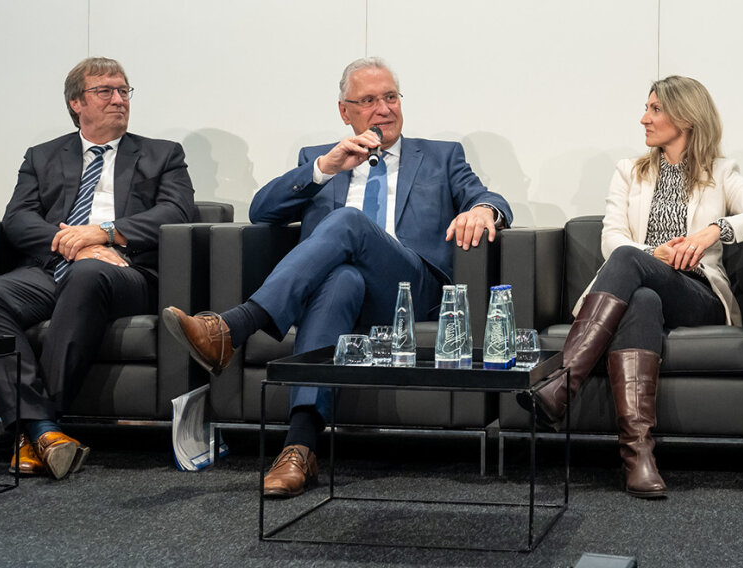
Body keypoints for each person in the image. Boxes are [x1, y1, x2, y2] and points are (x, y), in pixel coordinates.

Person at [162, 57, 511, 498]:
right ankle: (300, 448)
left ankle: (235, 326)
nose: (383, 109)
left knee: (348, 222)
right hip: (345, 295)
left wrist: (483, 209)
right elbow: (260, 210)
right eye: (368, 100)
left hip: (410, 289)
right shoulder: (321, 159)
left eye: (390, 97)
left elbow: (488, 196)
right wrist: (324, 168)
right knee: (342, 278)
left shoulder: (442, 156)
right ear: (345, 112)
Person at [524, 76, 743, 498]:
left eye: (655, 109)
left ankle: (562, 383)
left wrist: (713, 232)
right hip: (646, 286)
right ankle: (638, 457)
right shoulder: (630, 171)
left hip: (697, 296)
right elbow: (612, 237)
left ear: (685, 116)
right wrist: (654, 256)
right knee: (641, 296)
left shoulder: (720, 172)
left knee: (631, 261)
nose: (644, 118)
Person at [0, 57, 196, 480]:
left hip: (127, 271)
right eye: (105, 91)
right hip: (55, 267)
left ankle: (35, 426)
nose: (119, 100)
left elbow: (177, 213)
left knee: (91, 274)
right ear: (76, 103)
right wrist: (69, 246)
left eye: (124, 91)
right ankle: (44, 430)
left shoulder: (163, 155)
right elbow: (18, 219)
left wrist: (103, 234)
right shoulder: (43, 156)